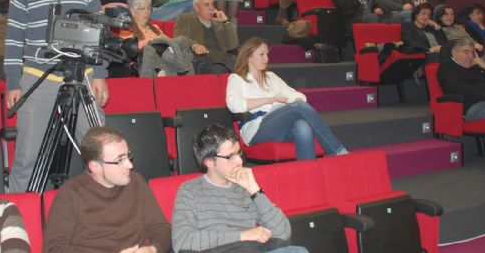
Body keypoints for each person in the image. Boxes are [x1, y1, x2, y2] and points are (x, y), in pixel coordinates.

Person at [4, 0, 109, 192]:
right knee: (27, 158)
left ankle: (109, 217)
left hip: (82, 77)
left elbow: (99, 30)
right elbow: (14, 38)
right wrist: (13, 83)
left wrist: (99, 74)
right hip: (38, 78)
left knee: (102, 153)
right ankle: (16, 220)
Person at [172, 123, 307, 253]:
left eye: (239, 153)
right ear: (209, 161)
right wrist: (242, 236)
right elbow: (182, 241)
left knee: (298, 251)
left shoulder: (245, 188)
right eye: (230, 156)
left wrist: (255, 190)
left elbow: (283, 233)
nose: (239, 161)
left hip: (250, 249)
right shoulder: (190, 191)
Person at [43, 126, 171, 252]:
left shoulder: (136, 182)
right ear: (96, 167)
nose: (130, 165)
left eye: (128, 156)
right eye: (120, 160)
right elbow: (54, 247)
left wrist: (152, 249)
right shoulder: (71, 194)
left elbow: (160, 227)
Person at [227, 37, 348, 159]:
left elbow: (296, 95)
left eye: (267, 54)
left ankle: (308, 174)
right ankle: (337, 151)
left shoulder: (271, 77)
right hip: (255, 129)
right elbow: (233, 105)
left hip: (279, 125)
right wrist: (270, 100)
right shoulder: (237, 78)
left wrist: (293, 103)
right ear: (248, 56)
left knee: (303, 127)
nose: (266, 59)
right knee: (298, 108)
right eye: (261, 54)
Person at [174, 0, 239, 74]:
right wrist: (194, 45)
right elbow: (178, 39)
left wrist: (226, 22)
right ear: (196, 8)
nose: (211, 8)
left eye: (212, 5)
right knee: (220, 69)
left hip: (222, 58)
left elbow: (233, 46)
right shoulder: (186, 19)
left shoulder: (218, 22)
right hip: (201, 60)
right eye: (206, 5)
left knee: (245, 63)